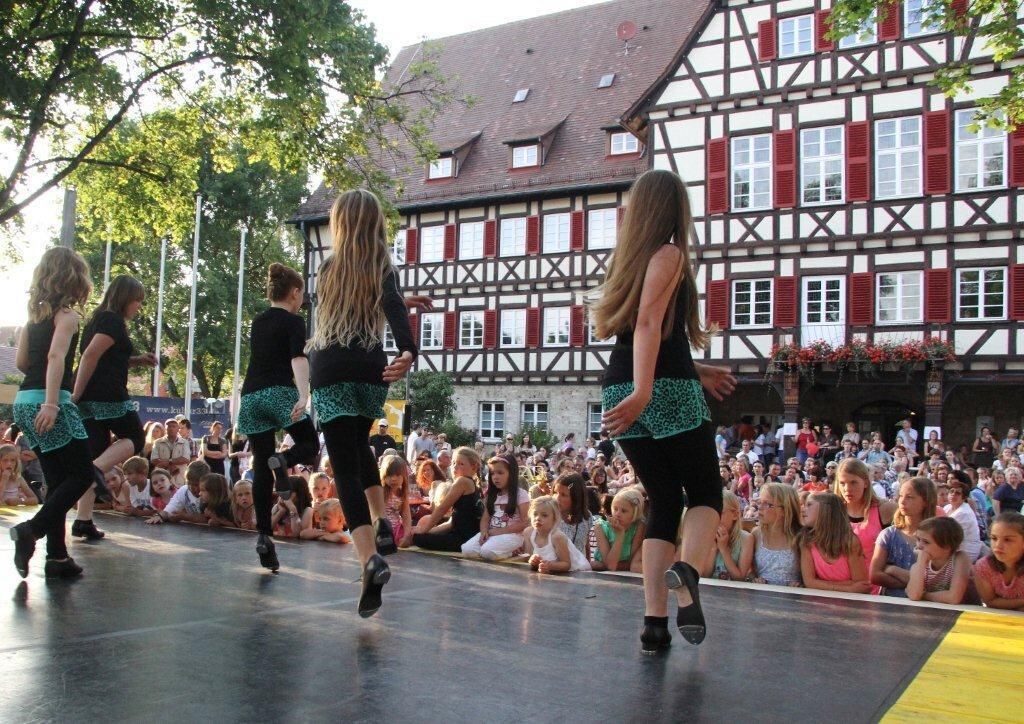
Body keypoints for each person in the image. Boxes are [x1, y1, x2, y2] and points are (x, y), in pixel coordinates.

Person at [592, 170, 737, 654]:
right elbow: (651, 324)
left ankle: (654, 625)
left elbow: (646, 336)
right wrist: (646, 390)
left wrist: (696, 370)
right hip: (655, 389)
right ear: (674, 209)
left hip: (621, 387)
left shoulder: (625, 262)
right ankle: (688, 573)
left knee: (661, 500)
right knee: (703, 494)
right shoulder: (670, 253)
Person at [308, 190, 430, 617]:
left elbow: (346, 306)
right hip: (369, 369)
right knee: (360, 446)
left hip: (332, 366)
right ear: (377, 224)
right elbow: (389, 304)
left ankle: (368, 560)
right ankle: (382, 522)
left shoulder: (327, 269)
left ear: (340, 223)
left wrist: (398, 302)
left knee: (342, 464)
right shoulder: (382, 267)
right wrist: (408, 351)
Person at [9, 248, 108, 579]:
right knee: (81, 474)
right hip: (49, 401)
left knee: (56, 480)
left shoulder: (32, 319)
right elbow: (56, 357)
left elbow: (23, 363)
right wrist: (52, 403)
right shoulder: (67, 317)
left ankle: (58, 557)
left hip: (23, 401)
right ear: (75, 278)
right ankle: (32, 531)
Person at [235, 263, 321, 571]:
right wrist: (302, 394)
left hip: (252, 396)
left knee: (260, 465)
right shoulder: (293, 321)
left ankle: (263, 537)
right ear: (295, 293)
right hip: (278, 393)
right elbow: (297, 358)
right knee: (310, 446)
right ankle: (283, 462)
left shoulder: (258, 321)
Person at [71, 274, 155, 537]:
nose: (138, 307)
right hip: (105, 394)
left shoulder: (99, 318)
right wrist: (75, 394)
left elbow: (108, 358)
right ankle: (95, 470)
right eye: (137, 301)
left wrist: (137, 360)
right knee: (136, 437)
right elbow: (90, 356)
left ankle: (83, 519)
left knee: (96, 452)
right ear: (125, 299)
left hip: (91, 397)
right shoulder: (113, 320)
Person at [870, 476, 935, 597]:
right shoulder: (889, 534)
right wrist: (914, 582)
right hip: (891, 603)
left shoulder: (936, 537)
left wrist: (893, 570)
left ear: (925, 501)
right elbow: (875, 575)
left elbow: (933, 582)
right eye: (900, 496)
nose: (902, 501)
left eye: (909, 497)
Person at [413, 446, 483, 551]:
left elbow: (442, 509)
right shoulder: (473, 485)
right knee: (419, 532)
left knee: (417, 538)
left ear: (473, 467)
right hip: (467, 534)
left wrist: (423, 530)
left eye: (461, 464)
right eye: (454, 463)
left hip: (463, 537)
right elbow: (451, 523)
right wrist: (428, 531)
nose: (455, 467)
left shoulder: (463, 481)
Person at [799, 492, 871, 594]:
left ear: (826, 510)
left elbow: (862, 585)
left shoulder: (850, 542)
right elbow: (809, 582)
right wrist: (848, 588)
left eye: (809, 505)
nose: (802, 509)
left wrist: (820, 584)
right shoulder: (806, 541)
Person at [462, 455, 530, 560]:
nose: (495, 477)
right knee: (467, 550)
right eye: (493, 473)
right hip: (492, 533)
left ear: (511, 474)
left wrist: (499, 532)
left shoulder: (521, 494)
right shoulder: (492, 495)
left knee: (487, 552)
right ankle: (494, 550)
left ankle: (512, 552)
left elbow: (525, 522)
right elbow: (485, 519)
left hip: (512, 535)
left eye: (500, 473)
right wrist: (484, 531)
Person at [835, 458, 897, 574]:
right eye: (842, 483)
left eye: (853, 482)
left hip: (875, 585)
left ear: (866, 482)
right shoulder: (832, 511)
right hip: (840, 584)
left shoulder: (885, 509)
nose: (847, 489)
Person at [907, 517, 974, 605]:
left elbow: (954, 598)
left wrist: (924, 595)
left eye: (926, 542)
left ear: (947, 547)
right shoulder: (920, 565)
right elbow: (914, 595)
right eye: (918, 540)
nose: (919, 546)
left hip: (967, 614)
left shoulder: (960, 559)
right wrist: (920, 563)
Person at [751, 483, 802, 587]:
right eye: (759, 502)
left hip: (794, 598)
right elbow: (749, 570)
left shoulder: (800, 536)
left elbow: (811, 573)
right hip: (762, 596)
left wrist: (801, 584)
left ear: (784, 509)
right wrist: (754, 579)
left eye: (767, 504)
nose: (760, 507)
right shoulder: (756, 534)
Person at [523, 495, 591, 573]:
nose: (538, 518)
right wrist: (532, 560)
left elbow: (566, 564)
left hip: (577, 572)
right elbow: (527, 556)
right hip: (549, 575)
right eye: (535, 514)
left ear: (554, 518)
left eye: (544, 515)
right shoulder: (528, 533)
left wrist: (550, 566)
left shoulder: (557, 537)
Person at [973, 512, 1024, 610]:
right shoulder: (984, 566)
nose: (998, 545)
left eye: (1008, 540)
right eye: (994, 538)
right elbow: (990, 602)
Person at [591, 487, 646, 574]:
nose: (617, 514)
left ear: (635, 513)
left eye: (624, 511)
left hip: (625, 575)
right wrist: (620, 535)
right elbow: (611, 566)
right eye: (615, 509)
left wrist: (603, 565)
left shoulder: (639, 526)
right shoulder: (600, 527)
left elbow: (631, 563)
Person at [700, 490, 753, 580]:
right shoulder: (705, 536)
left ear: (735, 515)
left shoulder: (746, 539)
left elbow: (739, 578)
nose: (714, 517)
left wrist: (724, 549)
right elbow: (705, 576)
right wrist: (713, 548)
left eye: (720, 512)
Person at [146, 460, 210, 525]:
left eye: (196, 484)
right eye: (189, 483)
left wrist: (184, 516)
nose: (191, 487)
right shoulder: (184, 490)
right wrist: (159, 516)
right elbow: (169, 510)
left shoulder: (212, 492)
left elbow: (209, 519)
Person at [944, 474, 983, 561]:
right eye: (951, 491)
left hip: (966, 551)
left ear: (964, 497)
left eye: (958, 493)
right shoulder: (947, 507)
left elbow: (953, 537)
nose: (953, 494)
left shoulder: (964, 513)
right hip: (953, 546)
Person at [554, 472, 593, 556]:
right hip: (554, 565)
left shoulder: (586, 517)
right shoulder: (550, 515)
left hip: (579, 566)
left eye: (563, 495)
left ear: (576, 497)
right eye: (556, 492)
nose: (557, 498)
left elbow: (585, 544)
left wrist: (588, 565)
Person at [380, 456, 413, 548]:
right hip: (382, 529)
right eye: (390, 475)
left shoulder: (402, 493)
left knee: (412, 537)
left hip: (396, 528)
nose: (393, 479)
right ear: (383, 475)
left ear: (404, 477)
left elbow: (406, 514)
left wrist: (407, 534)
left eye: (398, 475)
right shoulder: (381, 491)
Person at [150, 418, 191, 488]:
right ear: (165, 428)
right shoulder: (157, 442)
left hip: (179, 480)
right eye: (169, 426)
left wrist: (168, 461)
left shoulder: (185, 442)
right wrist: (169, 465)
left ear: (178, 429)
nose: (171, 428)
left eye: (174, 426)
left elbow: (186, 459)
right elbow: (154, 460)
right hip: (161, 481)